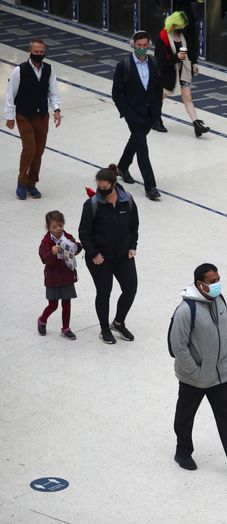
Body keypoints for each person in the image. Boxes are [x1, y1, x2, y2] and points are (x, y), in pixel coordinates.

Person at [168, 263, 227, 477]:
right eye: (212, 281)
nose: (217, 284)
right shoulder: (185, 310)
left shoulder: (220, 300)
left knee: (226, 416)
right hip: (194, 378)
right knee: (185, 415)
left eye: (218, 279)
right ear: (200, 285)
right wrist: (196, 372)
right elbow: (178, 347)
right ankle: (182, 452)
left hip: (221, 375)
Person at [78, 166, 139, 345]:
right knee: (104, 293)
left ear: (113, 184)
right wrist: (94, 253)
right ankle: (104, 328)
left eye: (105, 188)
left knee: (130, 288)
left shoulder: (127, 200)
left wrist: (132, 246)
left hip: (123, 256)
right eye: (99, 187)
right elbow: (84, 233)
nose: (101, 191)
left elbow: (133, 225)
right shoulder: (92, 204)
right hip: (100, 259)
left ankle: (118, 323)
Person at [5, 38, 61, 200]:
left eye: (41, 52)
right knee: (29, 149)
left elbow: (53, 92)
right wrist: (10, 116)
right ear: (30, 52)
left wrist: (56, 109)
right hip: (24, 115)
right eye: (36, 52)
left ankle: (32, 183)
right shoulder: (19, 70)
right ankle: (21, 182)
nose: (39, 54)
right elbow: (10, 94)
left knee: (39, 151)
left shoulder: (49, 69)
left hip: (42, 115)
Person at [111, 30, 163, 201]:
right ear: (133, 45)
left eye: (144, 45)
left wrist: (157, 110)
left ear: (148, 45)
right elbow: (116, 93)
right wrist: (125, 112)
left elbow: (157, 89)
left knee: (135, 140)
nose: (142, 48)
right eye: (139, 45)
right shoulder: (123, 65)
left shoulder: (154, 63)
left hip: (150, 113)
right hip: (133, 114)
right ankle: (151, 186)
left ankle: (122, 167)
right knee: (142, 148)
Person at [153, 11, 209, 137]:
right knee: (160, 97)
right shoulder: (163, 38)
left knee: (187, 97)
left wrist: (194, 62)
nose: (183, 28)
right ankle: (155, 120)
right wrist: (176, 57)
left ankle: (196, 125)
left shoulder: (183, 33)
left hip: (184, 70)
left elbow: (191, 48)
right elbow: (160, 61)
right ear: (174, 24)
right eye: (181, 26)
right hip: (168, 73)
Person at [38, 210, 81, 340]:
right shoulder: (46, 243)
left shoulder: (67, 237)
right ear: (48, 227)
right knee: (53, 304)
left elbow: (76, 248)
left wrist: (76, 247)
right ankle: (42, 319)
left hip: (67, 275)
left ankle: (66, 328)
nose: (58, 229)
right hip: (53, 277)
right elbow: (44, 259)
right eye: (54, 227)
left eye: (60, 226)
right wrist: (52, 253)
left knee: (67, 302)